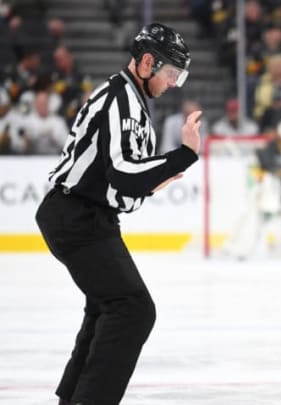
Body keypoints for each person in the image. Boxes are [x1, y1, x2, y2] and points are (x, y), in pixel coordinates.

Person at [34, 23, 201, 405]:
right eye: (172, 73)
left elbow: (125, 193)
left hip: (90, 217)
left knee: (106, 308)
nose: (174, 83)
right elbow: (123, 176)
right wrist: (184, 155)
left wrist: (154, 179)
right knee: (133, 309)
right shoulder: (119, 99)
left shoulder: (134, 105)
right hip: (75, 217)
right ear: (147, 62)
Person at [222, 119, 281, 259]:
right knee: (252, 212)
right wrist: (271, 176)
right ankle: (240, 247)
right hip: (271, 195)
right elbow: (255, 173)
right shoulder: (265, 151)